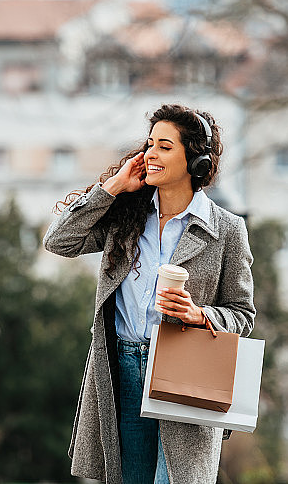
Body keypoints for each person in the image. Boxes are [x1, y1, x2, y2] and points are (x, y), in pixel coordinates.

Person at [43, 103, 255, 484]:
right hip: (121, 368)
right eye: (150, 144)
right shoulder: (126, 214)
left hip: (185, 370)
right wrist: (112, 188)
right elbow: (60, 241)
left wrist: (199, 314)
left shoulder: (226, 230)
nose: (150, 154)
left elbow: (243, 314)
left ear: (196, 162)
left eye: (165, 146)